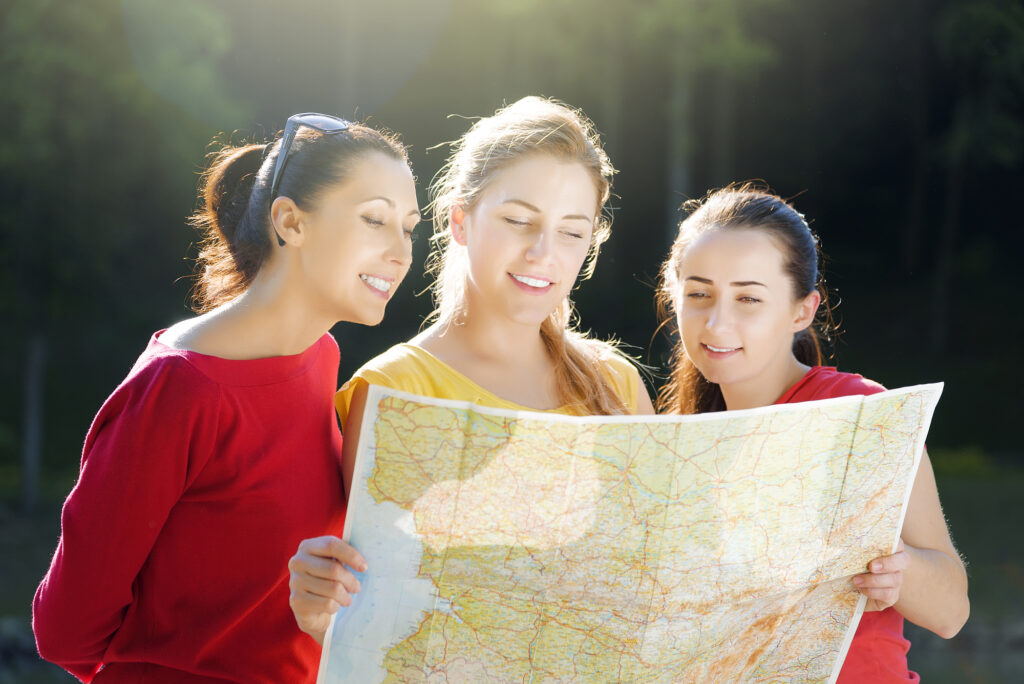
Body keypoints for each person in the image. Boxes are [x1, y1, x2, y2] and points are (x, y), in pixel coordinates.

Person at [33, 113, 420, 683]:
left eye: (409, 227)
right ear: (290, 221)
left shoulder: (320, 357)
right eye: (374, 220)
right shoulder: (180, 390)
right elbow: (65, 630)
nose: (401, 251)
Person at [287, 96, 656, 647]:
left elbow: (660, 579)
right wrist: (319, 610)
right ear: (460, 220)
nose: (542, 253)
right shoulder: (394, 390)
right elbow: (373, 626)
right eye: (517, 220)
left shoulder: (616, 381)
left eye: (572, 232)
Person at [656, 183, 969, 681]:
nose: (717, 322)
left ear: (802, 311)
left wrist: (897, 571)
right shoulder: (668, 449)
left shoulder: (861, 413)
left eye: (748, 299)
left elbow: (951, 612)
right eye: (699, 294)